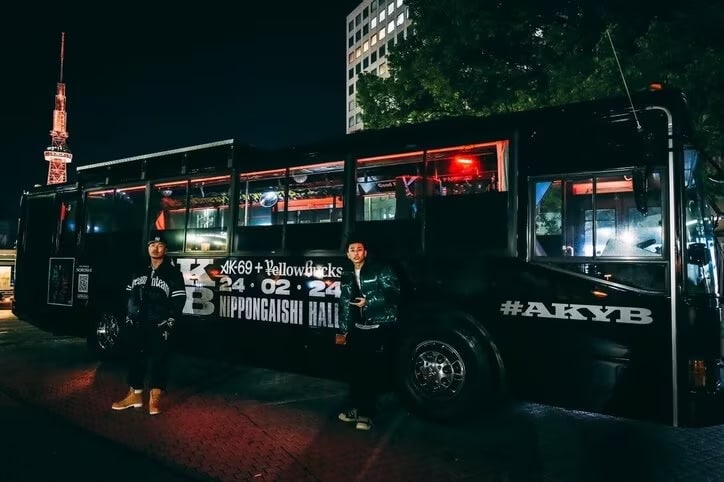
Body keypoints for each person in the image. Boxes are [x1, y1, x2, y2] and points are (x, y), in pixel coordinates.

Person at [111, 232, 187, 415]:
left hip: (159, 323)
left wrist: (169, 322)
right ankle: (135, 395)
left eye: (160, 246)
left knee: (159, 359)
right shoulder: (139, 270)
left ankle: (155, 398)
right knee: (135, 357)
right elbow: (128, 294)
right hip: (137, 322)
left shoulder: (173, 273)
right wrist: (128, 316)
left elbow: (179, 300)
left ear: (165, 249)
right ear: (148, 248)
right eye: (152, 245)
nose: (155, 248)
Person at [337, 235, 400, 431]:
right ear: (347, 254)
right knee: (355, 371)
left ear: (365, 252)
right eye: (352, 250)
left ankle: (366, 414)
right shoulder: (347, 274)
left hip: (377, 326)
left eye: (359, 249)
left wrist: (369, 302)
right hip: (356, 328)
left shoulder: (381, 269)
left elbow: (394, 292)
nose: (356, 253)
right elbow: (344, 304)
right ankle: (356, 409)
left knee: (370, 371)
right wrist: (343, 332)